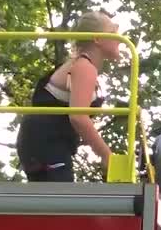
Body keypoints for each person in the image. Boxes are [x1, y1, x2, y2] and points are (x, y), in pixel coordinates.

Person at [15, 10, 122, 182]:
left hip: (45, 142)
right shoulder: (84, 67)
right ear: (97, 39)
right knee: (59, 202)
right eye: (113, 31)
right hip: (47, 142)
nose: (119, 37)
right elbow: (78, 117)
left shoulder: (82, 65)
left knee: (57, 201)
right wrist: (108, 157)